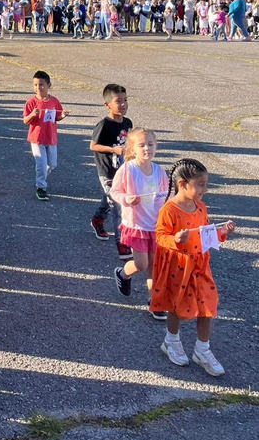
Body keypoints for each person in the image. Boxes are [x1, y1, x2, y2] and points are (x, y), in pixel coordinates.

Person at [152, 159, 236, 375]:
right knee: (176, 306)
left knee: (208, 304)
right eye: (200, 184)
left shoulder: (201, 207)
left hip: (200, 265)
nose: (204, 189)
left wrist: (221, 233)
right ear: (182, 184)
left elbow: (205, 233)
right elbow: (161, 237)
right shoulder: (169, 210)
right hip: (178, 266)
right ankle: (171, 341)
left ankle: (202, 349)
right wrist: (176, 240)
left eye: (205, 184)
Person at [110, 129, 170, 318]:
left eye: (150, 145)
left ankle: (155, 301)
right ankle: (122, 274)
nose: (147, 148)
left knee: (154, 265)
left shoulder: (160, 172)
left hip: (155, 226)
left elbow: (169, 196)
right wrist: (127, 199)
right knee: (142, 264)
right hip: (136, 225)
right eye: (142, 145)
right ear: (133, 149)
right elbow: (115, 192)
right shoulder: (128, 169)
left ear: (156, 147)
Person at [89, 84, 133, 258]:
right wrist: (113, 150)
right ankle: (122, 243)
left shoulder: (128, 123)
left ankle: (97, 220)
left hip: (122, 170)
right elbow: (93, 145)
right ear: (107, 104)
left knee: (109, 201)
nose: (123, 104)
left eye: (125, 100)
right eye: (118, 101)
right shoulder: (104, 125)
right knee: (118, 205)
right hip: (106, 171)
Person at [22, 70, 68, 201]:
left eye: (41, 84)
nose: (38, 88)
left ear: (49, 85)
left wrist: (63, 115)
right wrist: (32, 114)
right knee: (41, 164)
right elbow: (25, 120)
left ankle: (41, 177)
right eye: (35, 85)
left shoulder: (54, 101)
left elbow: (57, 117)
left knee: (52, 164)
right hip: (36, 139)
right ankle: (41, 187)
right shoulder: (31, 102)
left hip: (51, 138)